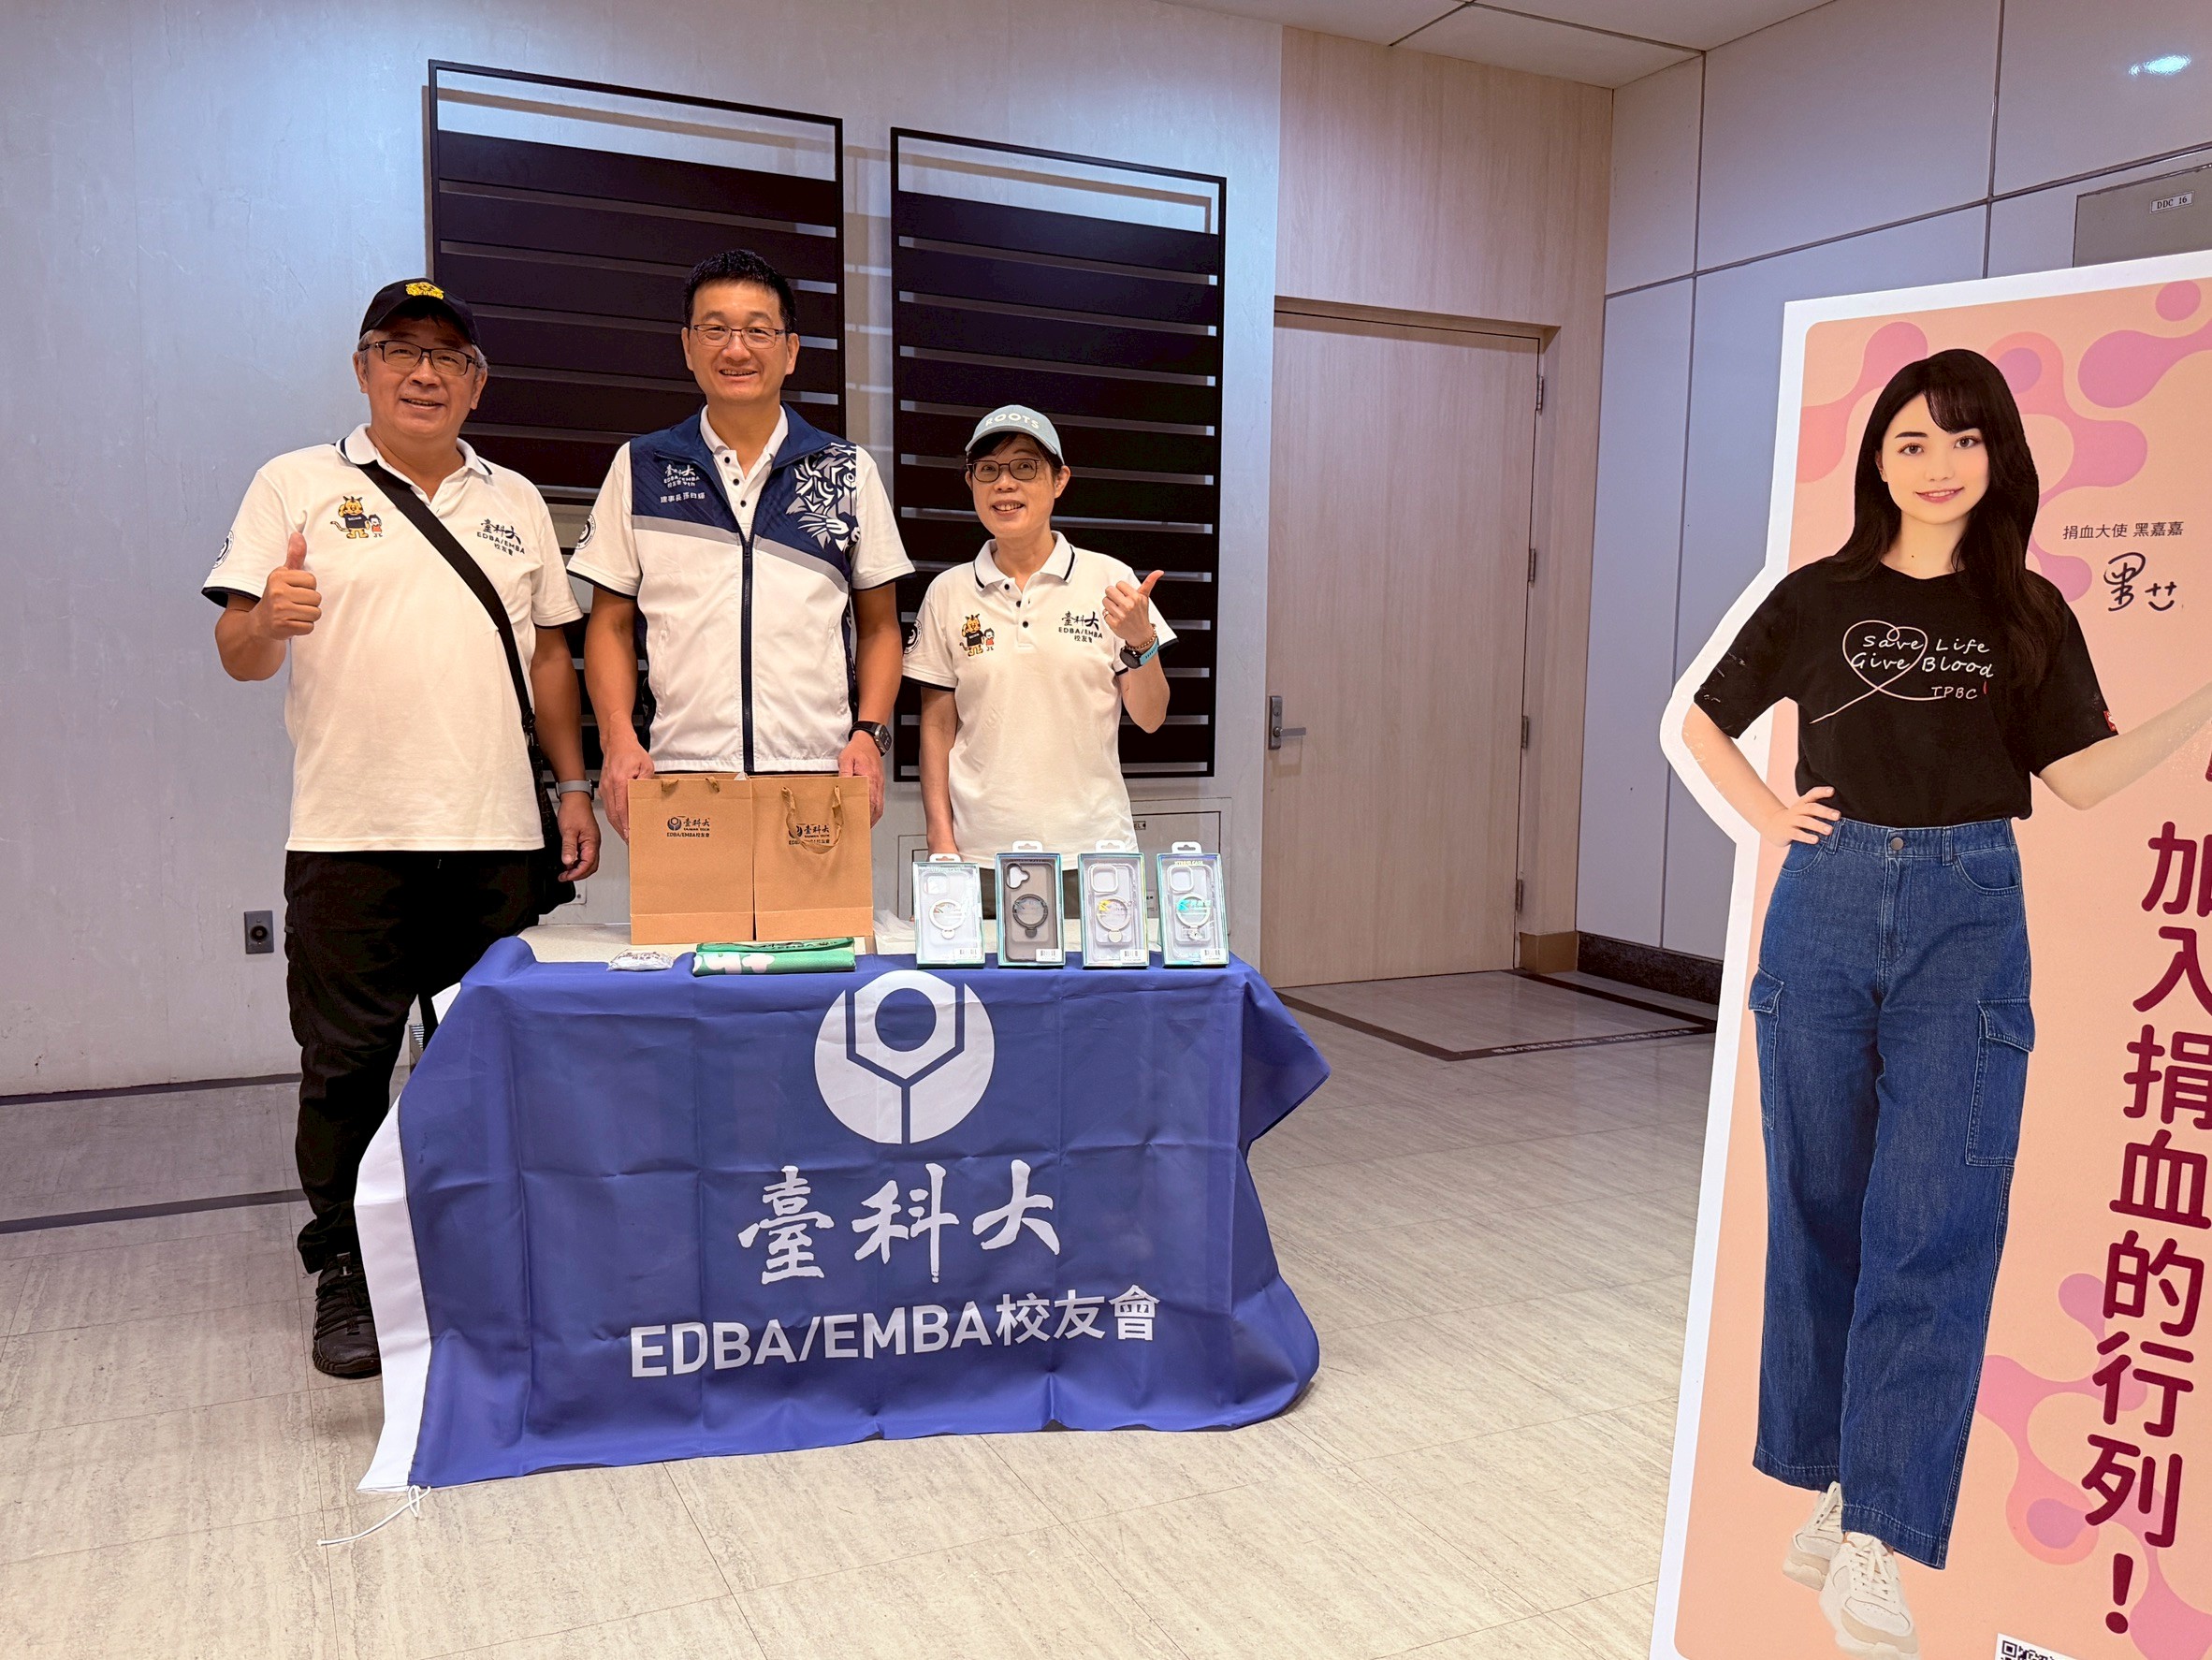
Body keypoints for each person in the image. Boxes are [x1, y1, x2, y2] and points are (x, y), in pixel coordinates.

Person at [1679, 348, 2212, 1657]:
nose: (1938, 464)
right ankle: (1831, 1480)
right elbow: (1703, 718)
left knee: (1939, 1219)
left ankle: (1877, 1529)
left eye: (1964, 440)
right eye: (1912, 440)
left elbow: (2081, 776)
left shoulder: (2025, 610)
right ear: (1878, 457)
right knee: (1817, 1206)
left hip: (1970, 909)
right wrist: (1768, 815)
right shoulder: (1816, 594)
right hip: (1827, 896)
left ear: (1998, 456)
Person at [207, 279, 599, 1378]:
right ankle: (345, 1264)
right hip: (351, 835)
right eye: (400, 350)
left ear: (477, 381)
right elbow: (238, 651)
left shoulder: (515, 498)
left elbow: (551, 653)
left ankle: (477, 1249)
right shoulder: (295, 482)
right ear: (363, 367)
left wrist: (573, 786)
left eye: (447, 356)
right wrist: (265, 620)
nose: (423, 372)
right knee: (347, 1063)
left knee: (490, 1053)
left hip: (495, 831)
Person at [575, 250, 909, 834]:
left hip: (818, 774)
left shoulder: (847, 470)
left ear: (791, 350)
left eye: (758, 331)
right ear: (687, 347)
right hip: (679, 776)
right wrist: (618, 737)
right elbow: (610, 624)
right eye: (715, 330)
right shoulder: (640, 466)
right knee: (685, 904)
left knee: (818, 904)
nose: (736, 350)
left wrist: (869, 734)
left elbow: (880, 626)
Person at [903, 405, 1172, 859]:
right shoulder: (947, 592)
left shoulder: (1111, 580)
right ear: (971, 482)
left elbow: (1151, 717)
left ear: (1059, 480)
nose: (1004, 484)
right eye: (988, 469)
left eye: (1025, 467)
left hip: (1095, 853)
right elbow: (937, 726)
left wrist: (1140, 640)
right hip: (979, 855)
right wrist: (940, 840)